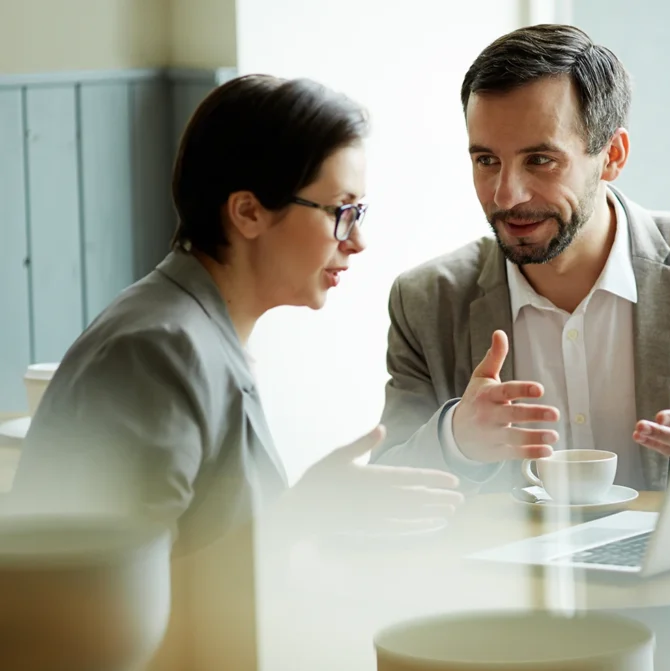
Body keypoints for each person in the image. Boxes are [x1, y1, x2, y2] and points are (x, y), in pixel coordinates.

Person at [369, 24, 670, 508]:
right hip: (512, 583)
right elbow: (382, 497)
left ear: (612, 155)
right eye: (486, 160)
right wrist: (456, 441)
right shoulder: (427, 301)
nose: (505, 194)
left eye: (540, 160)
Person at [8, 74, 464, 556]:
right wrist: (305, 513)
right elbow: (129, 596)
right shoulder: (155, 351)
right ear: (248, 212)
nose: (356, 240)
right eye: (340, 211)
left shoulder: (197, 330)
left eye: (359, 212)